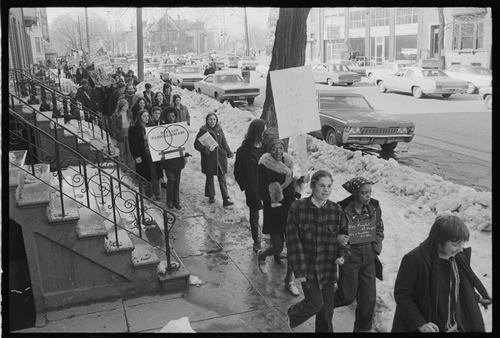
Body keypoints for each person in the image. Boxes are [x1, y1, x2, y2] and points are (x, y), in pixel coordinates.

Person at [392, 215, 491, 333]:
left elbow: (456, 284)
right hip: (428, 327)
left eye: (462, 244)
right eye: (455, 245)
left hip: (453, 326)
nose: (460, 249)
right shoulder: (414, 259)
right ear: (439, 240)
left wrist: (476, 297)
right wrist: (420, 323)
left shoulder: (457, 257)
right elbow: (402, 294)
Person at [286, 170, 350, 332]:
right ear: (313, 186)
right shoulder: (298, 207)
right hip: (308, 267)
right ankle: (293, 313)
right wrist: (299, 269)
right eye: (321, 185)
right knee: (314, 303)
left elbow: (344, 238)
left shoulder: (336, 210)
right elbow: (293, 240)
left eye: (329, 186)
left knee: (327, 309)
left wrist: (342, 255)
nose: (326, 190)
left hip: (327, 268)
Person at [333, 177, 384, 332]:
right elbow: (334, 231)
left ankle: (362, 330)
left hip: (369, 258)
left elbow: (379, 229)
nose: (368, 196)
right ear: (355, 193)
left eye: (370, 192)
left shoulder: (374, 206)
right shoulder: (341, 208)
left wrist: (375, 248)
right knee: (346, 296)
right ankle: (321, 304)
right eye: (364, 193)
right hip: (350, 258)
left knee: (369, 299)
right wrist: (339, 242)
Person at [256, 127, 300, 296]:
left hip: (290, 209)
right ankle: (262, 255)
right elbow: (263, 191)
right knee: (278, 247)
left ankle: (289, 281)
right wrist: (280, 187)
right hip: (274, 211)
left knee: (293, 248)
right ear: (269, 149)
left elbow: (293, 188)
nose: (278, 151)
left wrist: (298, 182)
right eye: (274, 148)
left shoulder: (288, 162)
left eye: (280, 148)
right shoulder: (264, 165)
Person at [234, 119, 267, 252]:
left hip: (267, 186)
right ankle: (257, 240)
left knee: (271, 215)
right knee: (255, 216)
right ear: (257, 131)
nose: (265, 132)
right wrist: (247, 187)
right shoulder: (243, 150)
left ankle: (275, 244)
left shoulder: (267, 147)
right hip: (253, 187)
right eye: (263, 130)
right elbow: (238, 171)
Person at [194, 112, 234, 207]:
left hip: (220, 157)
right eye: (210, 119)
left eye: (214, 119)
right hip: (209, 159)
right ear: (207, 120)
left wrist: (229, 152)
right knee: (210, 178)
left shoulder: (219, 129)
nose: (212, 121)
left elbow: (224, 142)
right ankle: (211, 196)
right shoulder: (203, 131)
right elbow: (196, 145)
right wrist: (206, 149)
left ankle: (225, 199)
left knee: (222, 178)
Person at [128, 109, 161, 200]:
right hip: (143, 154)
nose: (146, 118)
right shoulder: (134, 128)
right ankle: (148, 193)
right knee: (146, 175)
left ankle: (157, 192)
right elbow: (132, 144)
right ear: (139, 117)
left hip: (153, 154)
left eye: (147, 116)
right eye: (144, 116)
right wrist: (136, 156)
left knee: (155, 174)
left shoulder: (152, 126)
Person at [160, 107, 186, 209]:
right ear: (166, 117)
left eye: (173, 116)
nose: (171, 118)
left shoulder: (178, 128)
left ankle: (176, 201)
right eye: (169, 116)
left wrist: (185, 153)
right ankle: (169, 200)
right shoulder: (162, 129)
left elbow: (183, 141)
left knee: (177, 181)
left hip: (178, 158)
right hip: (167, 158)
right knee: (171, 180)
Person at [110, 99, 134, 169]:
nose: (126, 108)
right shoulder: (115, 114)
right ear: (120, 106)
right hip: (121, 133)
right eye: (124, 106)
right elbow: (113, 126)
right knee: (122, 151)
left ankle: (130, 165)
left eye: (127, 106)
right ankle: (123, 166)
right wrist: (119, 133)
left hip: (129, 132)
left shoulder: (129, 113)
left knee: (129, 150)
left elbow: (131, 122)